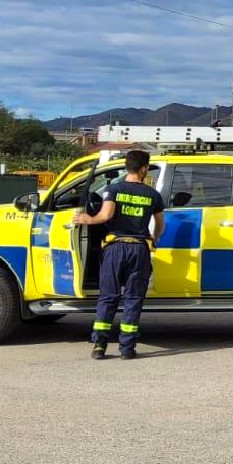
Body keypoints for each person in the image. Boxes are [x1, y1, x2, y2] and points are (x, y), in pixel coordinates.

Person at [74, 150, 166, 360]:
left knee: (108, 297)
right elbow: (160, 224)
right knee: (133, 298)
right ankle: (127, 348)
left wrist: (87, 219)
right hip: (139, 249)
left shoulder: (113, 188)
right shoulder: (152, 195)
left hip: (115, 248)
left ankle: (99, 345)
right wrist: (154, 238)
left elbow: (106, 215)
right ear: (143, 168)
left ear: (127, 166)